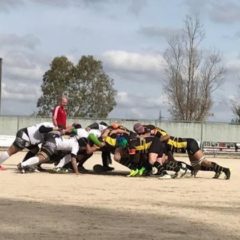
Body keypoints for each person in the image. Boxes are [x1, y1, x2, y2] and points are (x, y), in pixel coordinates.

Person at [133, 123, 231, 180]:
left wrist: (156, 139)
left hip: (188, 143)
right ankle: (217, 170)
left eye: (142, 130)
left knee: (203, 162)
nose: (142, 132)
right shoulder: (152, 139)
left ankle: (225, 170)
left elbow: (167, 136)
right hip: (183, 146)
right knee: (196, 166)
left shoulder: (152, 132)